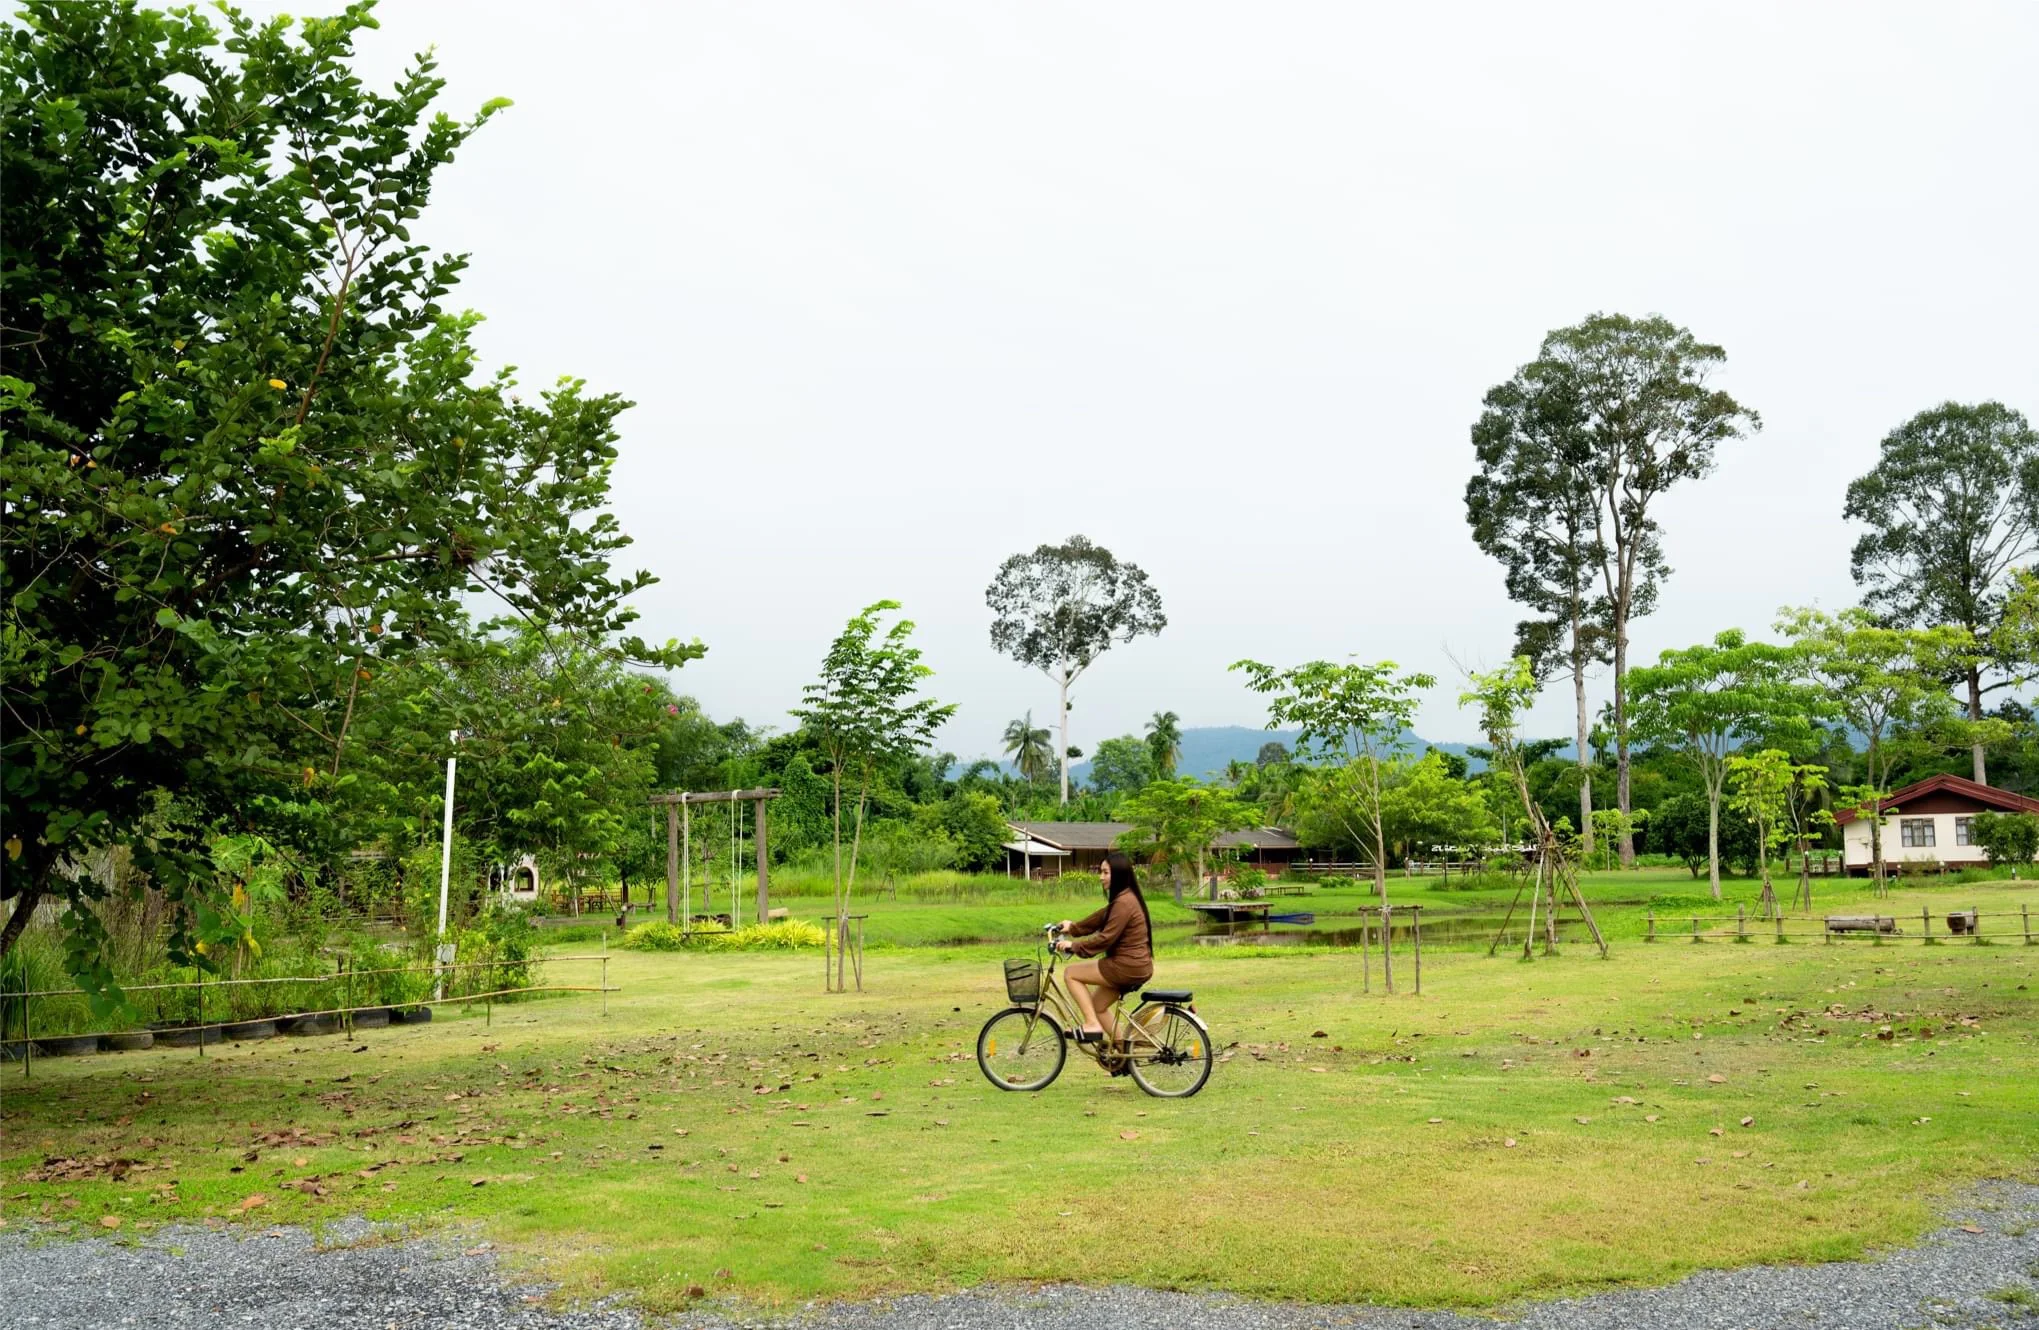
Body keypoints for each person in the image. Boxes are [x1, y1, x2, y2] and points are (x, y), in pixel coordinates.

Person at [1055, 850, 1154, 1045]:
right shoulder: (1124, 899)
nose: (1101, 877)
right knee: (1098, 1005)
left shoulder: (1125, 902)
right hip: (1136, 966)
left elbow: (1105, 939)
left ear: (1118, 873)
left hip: (1126, 966)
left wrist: (1073, 947)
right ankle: (1123, 1054)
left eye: (1106, 872)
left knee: (1070, 973)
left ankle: (1091, 1024)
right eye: (1101, 872)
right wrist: (1073, 928)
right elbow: (1101, 917)